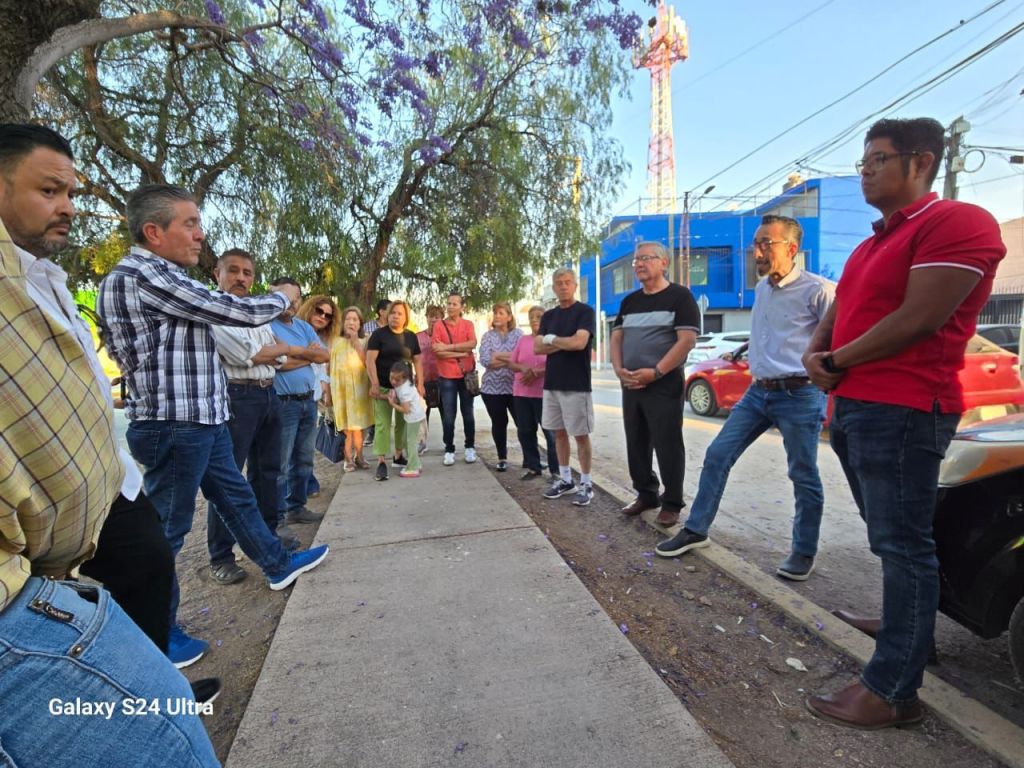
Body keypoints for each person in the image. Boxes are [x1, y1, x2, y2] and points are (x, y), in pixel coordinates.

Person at [0, 124, 219, 700]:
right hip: (55, 512)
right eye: (50, 191)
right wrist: (281, 305)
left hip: (109, 481)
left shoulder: (46, 277)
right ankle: (138, 704)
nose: (67, 208)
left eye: (71, 194)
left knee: (149, 564)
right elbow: (230, 314)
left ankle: (153, 687)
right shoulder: (138, 273)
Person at [801, 118, 1006, 729]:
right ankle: (907, 626)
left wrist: (834, 360)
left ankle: (893, 689)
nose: (864, 170)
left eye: (876, 159)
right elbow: (841, 308)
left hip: (906, 408)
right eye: (862, 160)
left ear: (921, 162)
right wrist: (818, 351)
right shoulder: (870, 244)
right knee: (890, 538)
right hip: (855, 407)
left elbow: (920, 317)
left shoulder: (958, 224)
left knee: (902, 545)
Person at [98, 183, 330, 664]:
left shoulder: (162, 275)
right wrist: (284, 295)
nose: (201, 235)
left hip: (201, 417)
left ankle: (276, 562)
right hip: (174, 421)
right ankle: (154, 634)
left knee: (236, 497)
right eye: (190, 224)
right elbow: (237, 312)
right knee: (168, 529)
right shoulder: (143, 275)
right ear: (153, 231)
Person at [655, 219, 834, 576]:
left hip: (800, 394)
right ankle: (696, 530)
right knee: (718, 454)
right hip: (758, 392)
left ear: (791, 249)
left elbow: (837, 339)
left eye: (766, 243)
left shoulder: (820, 291)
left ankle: (803, 551)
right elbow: (775, 336)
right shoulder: (762, 288)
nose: (758, 251)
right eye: (756, 243)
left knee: (802, 473)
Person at [205, 248, 299, 588]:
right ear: (217, 273)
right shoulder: (214, 310)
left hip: (267, 393)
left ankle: (268, 538)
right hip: (236, 396)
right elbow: (252, 353)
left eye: (247, 272)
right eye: (233, 271)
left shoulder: (256, 313)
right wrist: (271, 353)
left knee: (269, 472)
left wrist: (272, 353)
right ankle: (221, 555)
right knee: (229, 480)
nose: (241, 278)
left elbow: (275, 352)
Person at [612, 242, 701, 527]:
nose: (638, 263)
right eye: (636, 259)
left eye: (645, 258)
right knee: (636, 441)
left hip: (663, 382)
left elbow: (686, 341)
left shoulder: (680, 297)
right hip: (631, 383)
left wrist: (657, 371)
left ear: (663, 263)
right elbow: (617, 338)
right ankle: (646, 494)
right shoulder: (630, 301)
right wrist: (618, 369)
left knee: (667, 442)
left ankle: (672, 501)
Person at [269, 278, 330, 526]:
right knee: (280, 463)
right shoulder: (267, 326)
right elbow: (278, 365)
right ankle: (278, 516)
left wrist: (293, 352)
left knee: (304, 458)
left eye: (295, 299)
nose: (290, 304)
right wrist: (309, 354)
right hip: (283, 404)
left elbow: (324, 354)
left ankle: (297, 506)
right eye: (284, 298)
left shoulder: (304, 327)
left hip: (308, 401)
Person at [536, 268, 597, 506]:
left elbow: (580, 342)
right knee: (558, 433)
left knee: (581, 435)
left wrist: (552, 340)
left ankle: (587, 484)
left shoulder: (585, 312)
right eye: (559, 283)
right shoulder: (549, 316)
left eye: (567, 282)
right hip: (552, 384)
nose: (563, 286)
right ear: (554, 287)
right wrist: (564, 342)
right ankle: (565, 480)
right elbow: (538, 348)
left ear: (574, 286)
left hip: (576, 385)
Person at [366, 300, 424, 480]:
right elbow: (369, 361)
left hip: (405, 390)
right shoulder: (378, 335)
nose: (395, 316)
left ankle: (398, 455)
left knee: (403, 423)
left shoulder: (411, 336)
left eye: (400, 313)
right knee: (382, 424)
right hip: (383, 386)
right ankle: (382, 461)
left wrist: (420, 383)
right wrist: (374, 383)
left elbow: (418, 361)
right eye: (393, 313)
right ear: (386, 315)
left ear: (405, 317)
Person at [509, 304, 559, 482]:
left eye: (538, 316)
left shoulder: (551, 340)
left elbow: (558, 364)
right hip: (521, 393)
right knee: (525, 431)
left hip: (544, 394)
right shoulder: (522, 340)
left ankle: (556, 471)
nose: (534, 320)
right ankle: (533, 466)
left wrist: (537, 373)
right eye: (531, 317)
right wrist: (523, 368)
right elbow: (512, 362)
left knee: (551, 434)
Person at [297, 294, 340, 497]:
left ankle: (306, 486)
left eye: (328, 315)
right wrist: (310, 355)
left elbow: (322, 365)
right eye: (319, 311)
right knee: (289, 450)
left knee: (306, 449)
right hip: (291, 396)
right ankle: (296, 493)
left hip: (311, 396)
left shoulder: (321, 339)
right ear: (310, 308)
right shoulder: (295, 329)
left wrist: (325, 387)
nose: (322, 317)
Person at [432, 292, 478, 466]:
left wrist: (449, 348)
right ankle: (449, 448)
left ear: (461, 307)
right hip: (447, 376)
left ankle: (470, 447)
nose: (451, 306)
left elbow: (472, 344)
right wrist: (460, 352)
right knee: (449, 415)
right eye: (449, 303)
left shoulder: (468, 324)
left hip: (466, 375)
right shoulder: (439, 326)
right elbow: (437, 350)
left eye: (455, 304)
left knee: (468, 414)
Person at [478, 301, 524, 471]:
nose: (497, 316)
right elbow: (486, 361)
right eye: (495, 313)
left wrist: (498, 356)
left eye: (501, 313)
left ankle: (529, 458)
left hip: (515, 388)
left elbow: (522, 357)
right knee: (499, 423)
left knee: (523, 423)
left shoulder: (519, 334)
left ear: (509, 317)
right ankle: (502, 458)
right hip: (492, 389)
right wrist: (509, 359)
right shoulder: (487, 336)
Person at [328, 306, 373, 472]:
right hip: (341, 390)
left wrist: (356, 343)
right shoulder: (335, 341)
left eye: (355, 319)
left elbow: (367, 363)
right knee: (346, 427)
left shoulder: (365, 340)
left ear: (360, 324)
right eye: (348, 319)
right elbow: (328, 366)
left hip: (360, 389)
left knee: (360, 426)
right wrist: (327, 390)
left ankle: (359, 456)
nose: (351, 322)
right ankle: (348, 458)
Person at [386, 361, 427, 478]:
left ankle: (413, 467)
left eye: (397, 380)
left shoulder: (404, 391)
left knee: (410, 442)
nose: (393, 381)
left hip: (413, 418)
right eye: (392, 378)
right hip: (413, 417)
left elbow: (406, 409)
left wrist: (392, 403)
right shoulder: (404, 384)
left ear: (404, 379)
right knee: (406, 440)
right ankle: (416, 463)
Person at [415, 304, 445, 454]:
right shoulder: (418, 336)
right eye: (431, 316)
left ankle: (448, 443)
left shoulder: (445, 336)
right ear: (426, 317)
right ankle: (422, 442)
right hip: (423, 380)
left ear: (441, 319)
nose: (433, 319)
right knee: (422, 415)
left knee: (446, 414)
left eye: (437, 317)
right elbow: (412, 358)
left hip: (443, 380)